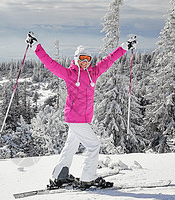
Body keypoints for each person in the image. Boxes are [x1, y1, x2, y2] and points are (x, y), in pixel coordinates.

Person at [25, 32, 136, 189]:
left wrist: (124, 47)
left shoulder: (94, 73)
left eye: (87, 59)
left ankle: (60, 175)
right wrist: (36, 47)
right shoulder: (69, 74)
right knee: (94, 145)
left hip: (83, 119)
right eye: (81, 59)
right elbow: (50, 63)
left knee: (71, 145)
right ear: (76, 59)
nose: (84, 62)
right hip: (74, 118)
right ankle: (87, 178)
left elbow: (109, 60)